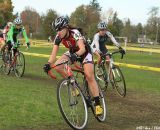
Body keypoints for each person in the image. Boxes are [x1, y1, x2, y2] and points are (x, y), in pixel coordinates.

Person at [43, 16, 103, 115]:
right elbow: (53, 54)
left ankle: (97, 104)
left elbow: (82, 48)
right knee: (58, 66)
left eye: (60, 29)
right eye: (56, 30)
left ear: (66, 27)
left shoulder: (74, 32)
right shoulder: (58, 38)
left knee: (89, 75)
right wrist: (48, 64)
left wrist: (75, 56)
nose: (58, 32)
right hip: (72, 52)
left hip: (84, 52)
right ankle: (74, 86)